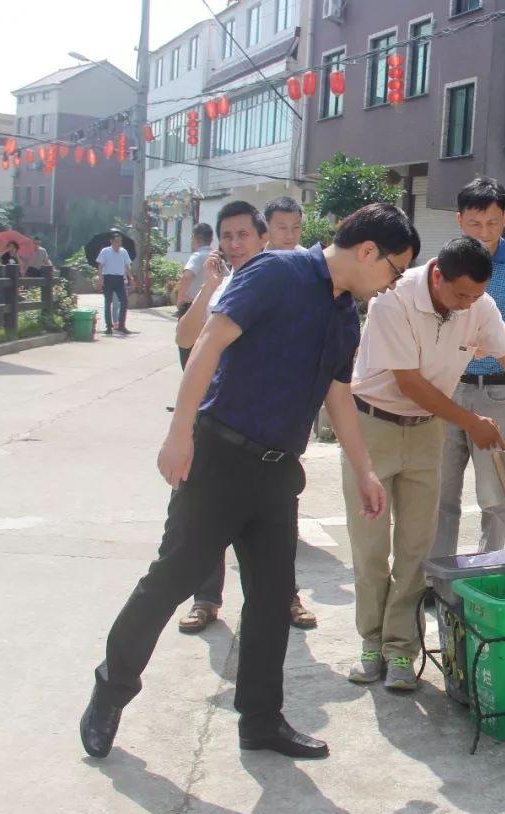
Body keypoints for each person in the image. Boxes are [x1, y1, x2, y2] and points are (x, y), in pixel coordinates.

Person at [80, 203, 418, 762]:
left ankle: (260, 722)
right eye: (392, 269)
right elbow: (209, 343)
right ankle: (111, 690)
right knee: (171, 581)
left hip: (276, 472)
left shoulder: (342, 316)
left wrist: (363, 470)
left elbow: (338, 396)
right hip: (217, 458)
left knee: (269, 600)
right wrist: (179, 433)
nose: (389, 284)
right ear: (367, 252)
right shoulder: (275, 272)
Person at [344, 235, 505, 691]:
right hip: (373, 427)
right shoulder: (393, 298)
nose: (468, 304)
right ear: (436, 276)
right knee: (371, 548)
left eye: (476, 295)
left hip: (426, 430)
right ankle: (371, 643)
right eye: (460, 294)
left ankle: (401, 652)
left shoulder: (479, 304)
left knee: (416, 547)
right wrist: (472, 421)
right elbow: (409, 383)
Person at [429, 177, 505, 565]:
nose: (485, 232)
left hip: (498, 392)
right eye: (476, 224)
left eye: (493, 223)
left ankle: (483, 573)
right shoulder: (442, 265)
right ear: (461, 221)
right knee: (442, 493)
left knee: (494, 495)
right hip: (449, 390)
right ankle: (437, 576)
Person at [172, 204, 267, 634]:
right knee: (202, 518)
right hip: (213, 421)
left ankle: (275, 600)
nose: (234, 244)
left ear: (262, 238)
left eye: (242, 235)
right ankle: (206, 599)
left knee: (266, 525)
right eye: (227, 237)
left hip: (262, 427)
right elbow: (185, 338)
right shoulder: (222, 284)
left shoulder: (278, 284)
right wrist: (209, 287)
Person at [175, 223, 215, 369]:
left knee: (187, 349)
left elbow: (187, 276)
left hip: (192, 307)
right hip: (211, 309)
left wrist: (180, 299)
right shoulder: (216, 257)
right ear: (211, 239)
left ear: (194, 238)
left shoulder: (197, 256)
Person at [96, 231, 135, 335]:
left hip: (119, 279)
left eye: (120, 241)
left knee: (124, 301)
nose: (119, 243)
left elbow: (127, 266)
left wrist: (131, 279)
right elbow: (100, 265)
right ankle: (109, 326)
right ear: (112, 242)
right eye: (117, 241)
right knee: (108, 303)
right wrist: (100, 279)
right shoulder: (105, 251)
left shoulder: (123, 252)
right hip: (108, 278)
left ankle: (121, 325)